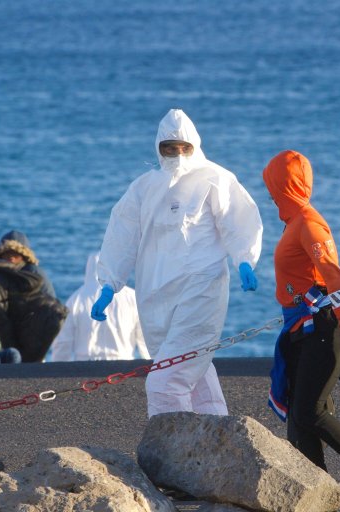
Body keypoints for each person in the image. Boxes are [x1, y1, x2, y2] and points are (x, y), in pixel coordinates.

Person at [92, 108, 262, 417]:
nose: (178, 155)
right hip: (155, 295)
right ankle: (217, 436)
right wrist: (109, 284)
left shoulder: (216, 179)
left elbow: (238, 220)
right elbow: (122, 235)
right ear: (158, 148)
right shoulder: (144, 188)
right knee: (192, 372)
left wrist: (245, 259)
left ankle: (173, 451)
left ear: (195, 145)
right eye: (170, 148)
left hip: (202, 287)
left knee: (166, 381)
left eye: (184, 147)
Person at [262, 149, 340, 493]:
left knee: (311, 411)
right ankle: (320, 488)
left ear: (286, 185)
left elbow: (333, 276)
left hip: (325, 325)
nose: (269, 193)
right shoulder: (293, 223)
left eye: (273, 184)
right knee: (299, 418)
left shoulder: (309, 223)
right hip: (301, 328)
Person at [0, 245, 67, 362]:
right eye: (7, 256)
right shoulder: (31, 273)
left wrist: (10, 349)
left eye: (15, 256)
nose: (11, 259)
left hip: (31, 327)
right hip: (44, 323)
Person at [47, 252, 149, 361]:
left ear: (89, 267)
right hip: (123, 364)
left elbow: (63, 341)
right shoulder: (132, 298)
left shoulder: (76, 299)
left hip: (84, 365)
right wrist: (150, 363)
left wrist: (59, 366)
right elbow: (144, 338)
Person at [0, 230, 57, 298]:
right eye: (7, 254)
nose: (11, 258)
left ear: (24, 255)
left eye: (16, 254)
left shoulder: (33, 272)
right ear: (0, 255)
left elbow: (50, 301)